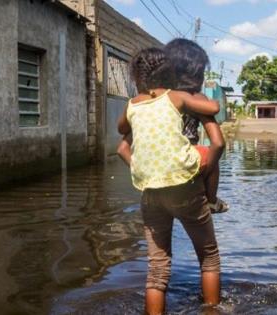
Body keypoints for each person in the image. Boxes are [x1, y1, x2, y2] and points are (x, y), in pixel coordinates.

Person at [117, 48, 223, 315]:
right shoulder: (175, 98)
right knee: (209, 257)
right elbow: (214, 111)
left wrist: (142, 168)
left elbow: (121, 140)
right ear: (170, 73)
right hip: (185, 187)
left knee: (157, 268)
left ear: (137, 78)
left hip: (150, 190)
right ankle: (211, 310)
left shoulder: (133, 106)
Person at [118, 38, 229, 214]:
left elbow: (122, 149)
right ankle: (212, 201)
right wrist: (206, 173)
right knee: (203, 240)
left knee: (158, 237)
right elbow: (218, 143)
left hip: (153, 179)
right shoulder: (196, 99)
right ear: (197, 74)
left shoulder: (148, 104)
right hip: (188, 173)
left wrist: (141, 169)